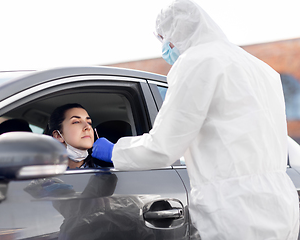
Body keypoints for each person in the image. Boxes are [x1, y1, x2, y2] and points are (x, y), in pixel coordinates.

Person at [92, 0, 299, 239]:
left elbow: (162, 147)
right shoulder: (261, 68)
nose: (165, 48)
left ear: (174, 33)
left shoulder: (196, 61)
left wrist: (115, 151)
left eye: (163, 39)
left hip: (237, 210)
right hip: (282, 203)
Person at [46, 103, 107, 169]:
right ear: (58, 135)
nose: (88, 127)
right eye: (76, 122)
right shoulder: (43, 174)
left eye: (89, 122)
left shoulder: (103, 174)